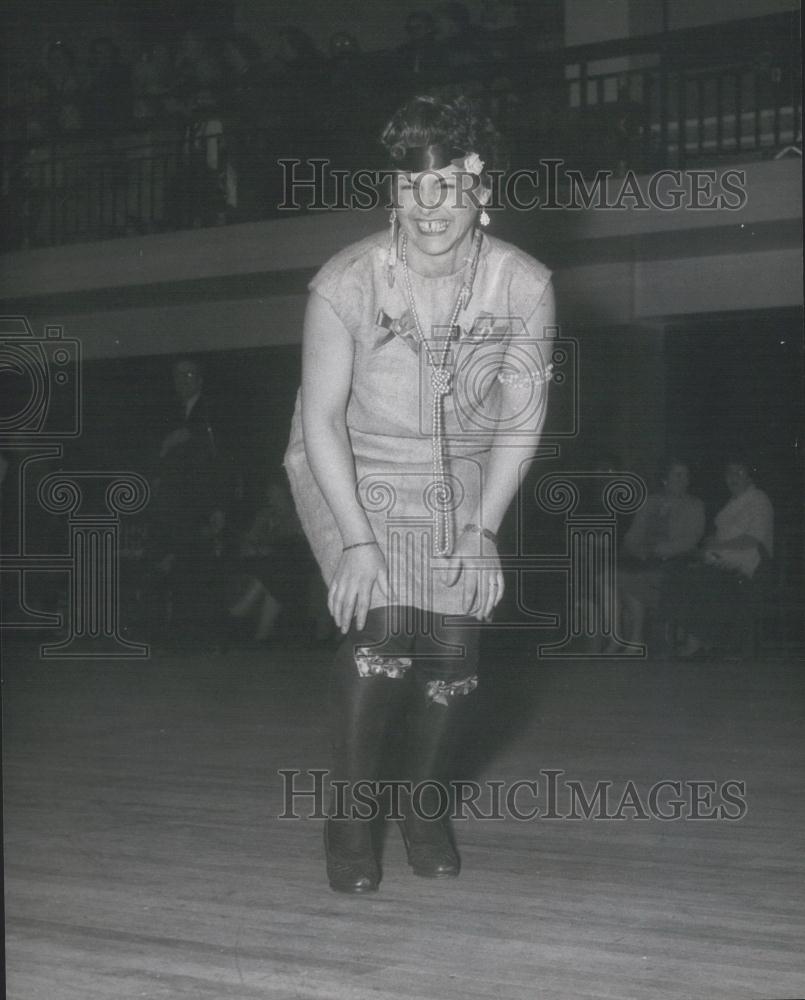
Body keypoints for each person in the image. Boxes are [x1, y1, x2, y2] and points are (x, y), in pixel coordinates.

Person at [284, 94, 555, 893]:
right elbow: (322, 423)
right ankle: (353, 814)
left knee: (454, 650)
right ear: (393, 190)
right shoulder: (343, 281)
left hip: (462, 475)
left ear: (482, 192)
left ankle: (421, 803)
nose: (427, 207)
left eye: (447, 187)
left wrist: (483, 529)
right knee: (388, 628)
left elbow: (519, 421)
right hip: (351, 466)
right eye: (411, 187)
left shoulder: (525, 284)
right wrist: (358, 543)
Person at [662, 456, 774, 659]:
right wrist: (711, 541)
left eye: (739, 472)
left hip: (748, 568)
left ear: (750, 476)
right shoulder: (732, 503)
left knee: (701, 578)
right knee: (678, 571)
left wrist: (718, 545)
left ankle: (696, 640)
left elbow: (753, 539)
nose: (733, 477)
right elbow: (723, 534)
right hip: (721, 562)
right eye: (729, 473)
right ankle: (679, 635)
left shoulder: (758, 500)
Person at [613, 459, 705, 649]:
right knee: (612, 577)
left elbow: (690, 540)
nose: (683, 480)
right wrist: (638, 550)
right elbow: (631, 536)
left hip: (675, 561)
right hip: (644, 559)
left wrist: (655, 550)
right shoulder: (651, 502)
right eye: (677, 475)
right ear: (665, 479)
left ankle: (635, 638)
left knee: (630, 579)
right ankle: (621, 638)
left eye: (686, 475)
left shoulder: (694, 505)